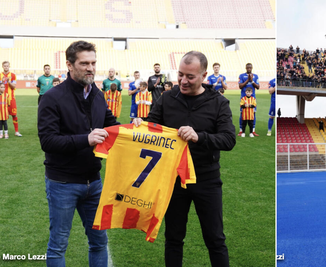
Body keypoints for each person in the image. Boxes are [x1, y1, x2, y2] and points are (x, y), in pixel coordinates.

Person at [133, 51, 235, 267]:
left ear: (204, 76)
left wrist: (199, 137)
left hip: (206, 179)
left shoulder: (219, 103)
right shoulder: (167, 99)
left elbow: (229, 140)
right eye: (180, 75)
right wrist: (140, 125)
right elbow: (152, 128)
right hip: (174, 179)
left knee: (215, 239)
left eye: (190, 76)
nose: (183, 81)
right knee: (173, 238)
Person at [38, 40, 119, 266]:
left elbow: (112, 126)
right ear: (69, 65)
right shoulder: (52, 97)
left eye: (93, 63)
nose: (90, 68)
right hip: (62, 183)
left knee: (99, 242)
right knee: (58, 246)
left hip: (93, 182)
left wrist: (137, 128)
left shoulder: (97, 93)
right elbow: (48, 141)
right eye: (84, 63)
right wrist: (86, 139)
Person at [238, 63, 260, 136]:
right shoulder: (241, 76)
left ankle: (253, 130)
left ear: (252, 68)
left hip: (252, 98)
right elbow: (240, 86)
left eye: (250, 67)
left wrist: (252, 81)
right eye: (248, 67)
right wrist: (248, 80)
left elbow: (258, 87)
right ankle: (241, 130)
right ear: (246, 68)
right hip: (243, 98)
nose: (249, 69)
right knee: (242, 113)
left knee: (253, 113)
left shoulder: (255, 76)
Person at [1, 61, 22, 137]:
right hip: (2, 99)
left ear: (9, 66)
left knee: (14, 114)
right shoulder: (0, 75)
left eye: (7, 66)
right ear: (2, 66)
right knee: (1, 116)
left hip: (11, 98)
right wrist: (2, 82)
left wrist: (8, 81)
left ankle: (16, 131)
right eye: (4, 66)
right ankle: (2, 132)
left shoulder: (13, 75)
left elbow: (13, 86)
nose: (6, 67)